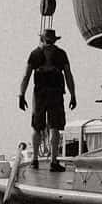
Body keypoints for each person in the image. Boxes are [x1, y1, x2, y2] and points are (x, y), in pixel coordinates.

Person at [18, 27, 76, 172]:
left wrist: (21, 94)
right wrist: (73, 94)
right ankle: (53, 161)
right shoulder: (61, 54)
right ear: (54, 40)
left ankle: (35, 160)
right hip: (55, 94)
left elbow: (26, 75)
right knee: (54, 127)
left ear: (42, 39)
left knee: (37, 126)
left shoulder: (35, 54)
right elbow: (68, 75)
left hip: (40, 94)